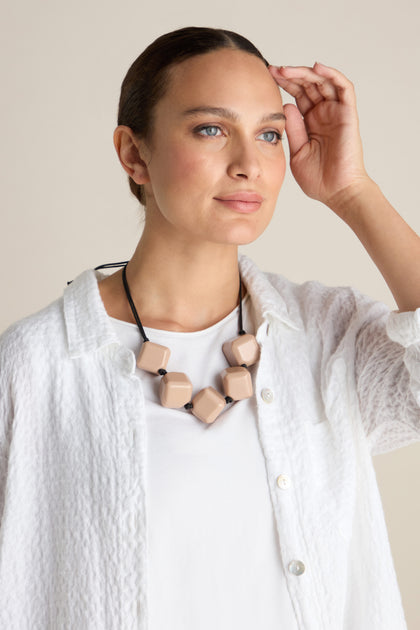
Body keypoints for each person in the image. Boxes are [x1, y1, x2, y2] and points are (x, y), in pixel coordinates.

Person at [0, 26, 419, 630]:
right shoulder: (37, 365)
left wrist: (354, 192)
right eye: (211, 129)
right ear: (133, 153)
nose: (249, 164)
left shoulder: (327, 337)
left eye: (270, 134)